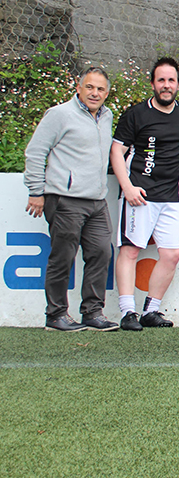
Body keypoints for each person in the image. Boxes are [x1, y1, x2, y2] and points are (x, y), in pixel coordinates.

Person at [110, 57, 179, 331]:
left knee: (172, 254)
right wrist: (127, 187)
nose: (166, 86)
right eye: (161, 80)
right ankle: (128, 313)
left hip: (170, 196)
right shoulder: (136, 114)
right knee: (130, 251)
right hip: (139, 194)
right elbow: (117, 151)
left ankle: (151, 311)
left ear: (178, 84)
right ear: (153, 83)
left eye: (171, 80)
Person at [23, 67, 118, 331]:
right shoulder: (59, 114)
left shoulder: (107, 116)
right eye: (89, 87)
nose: (94, 93)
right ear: (78, 88)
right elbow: (35, 152)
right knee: (62, 258)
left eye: (100, 89)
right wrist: (35, 190)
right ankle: (55, 315)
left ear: (107, 93)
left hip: (97, 201)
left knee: (101, 252)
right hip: (65, 200)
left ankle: (92, 312)